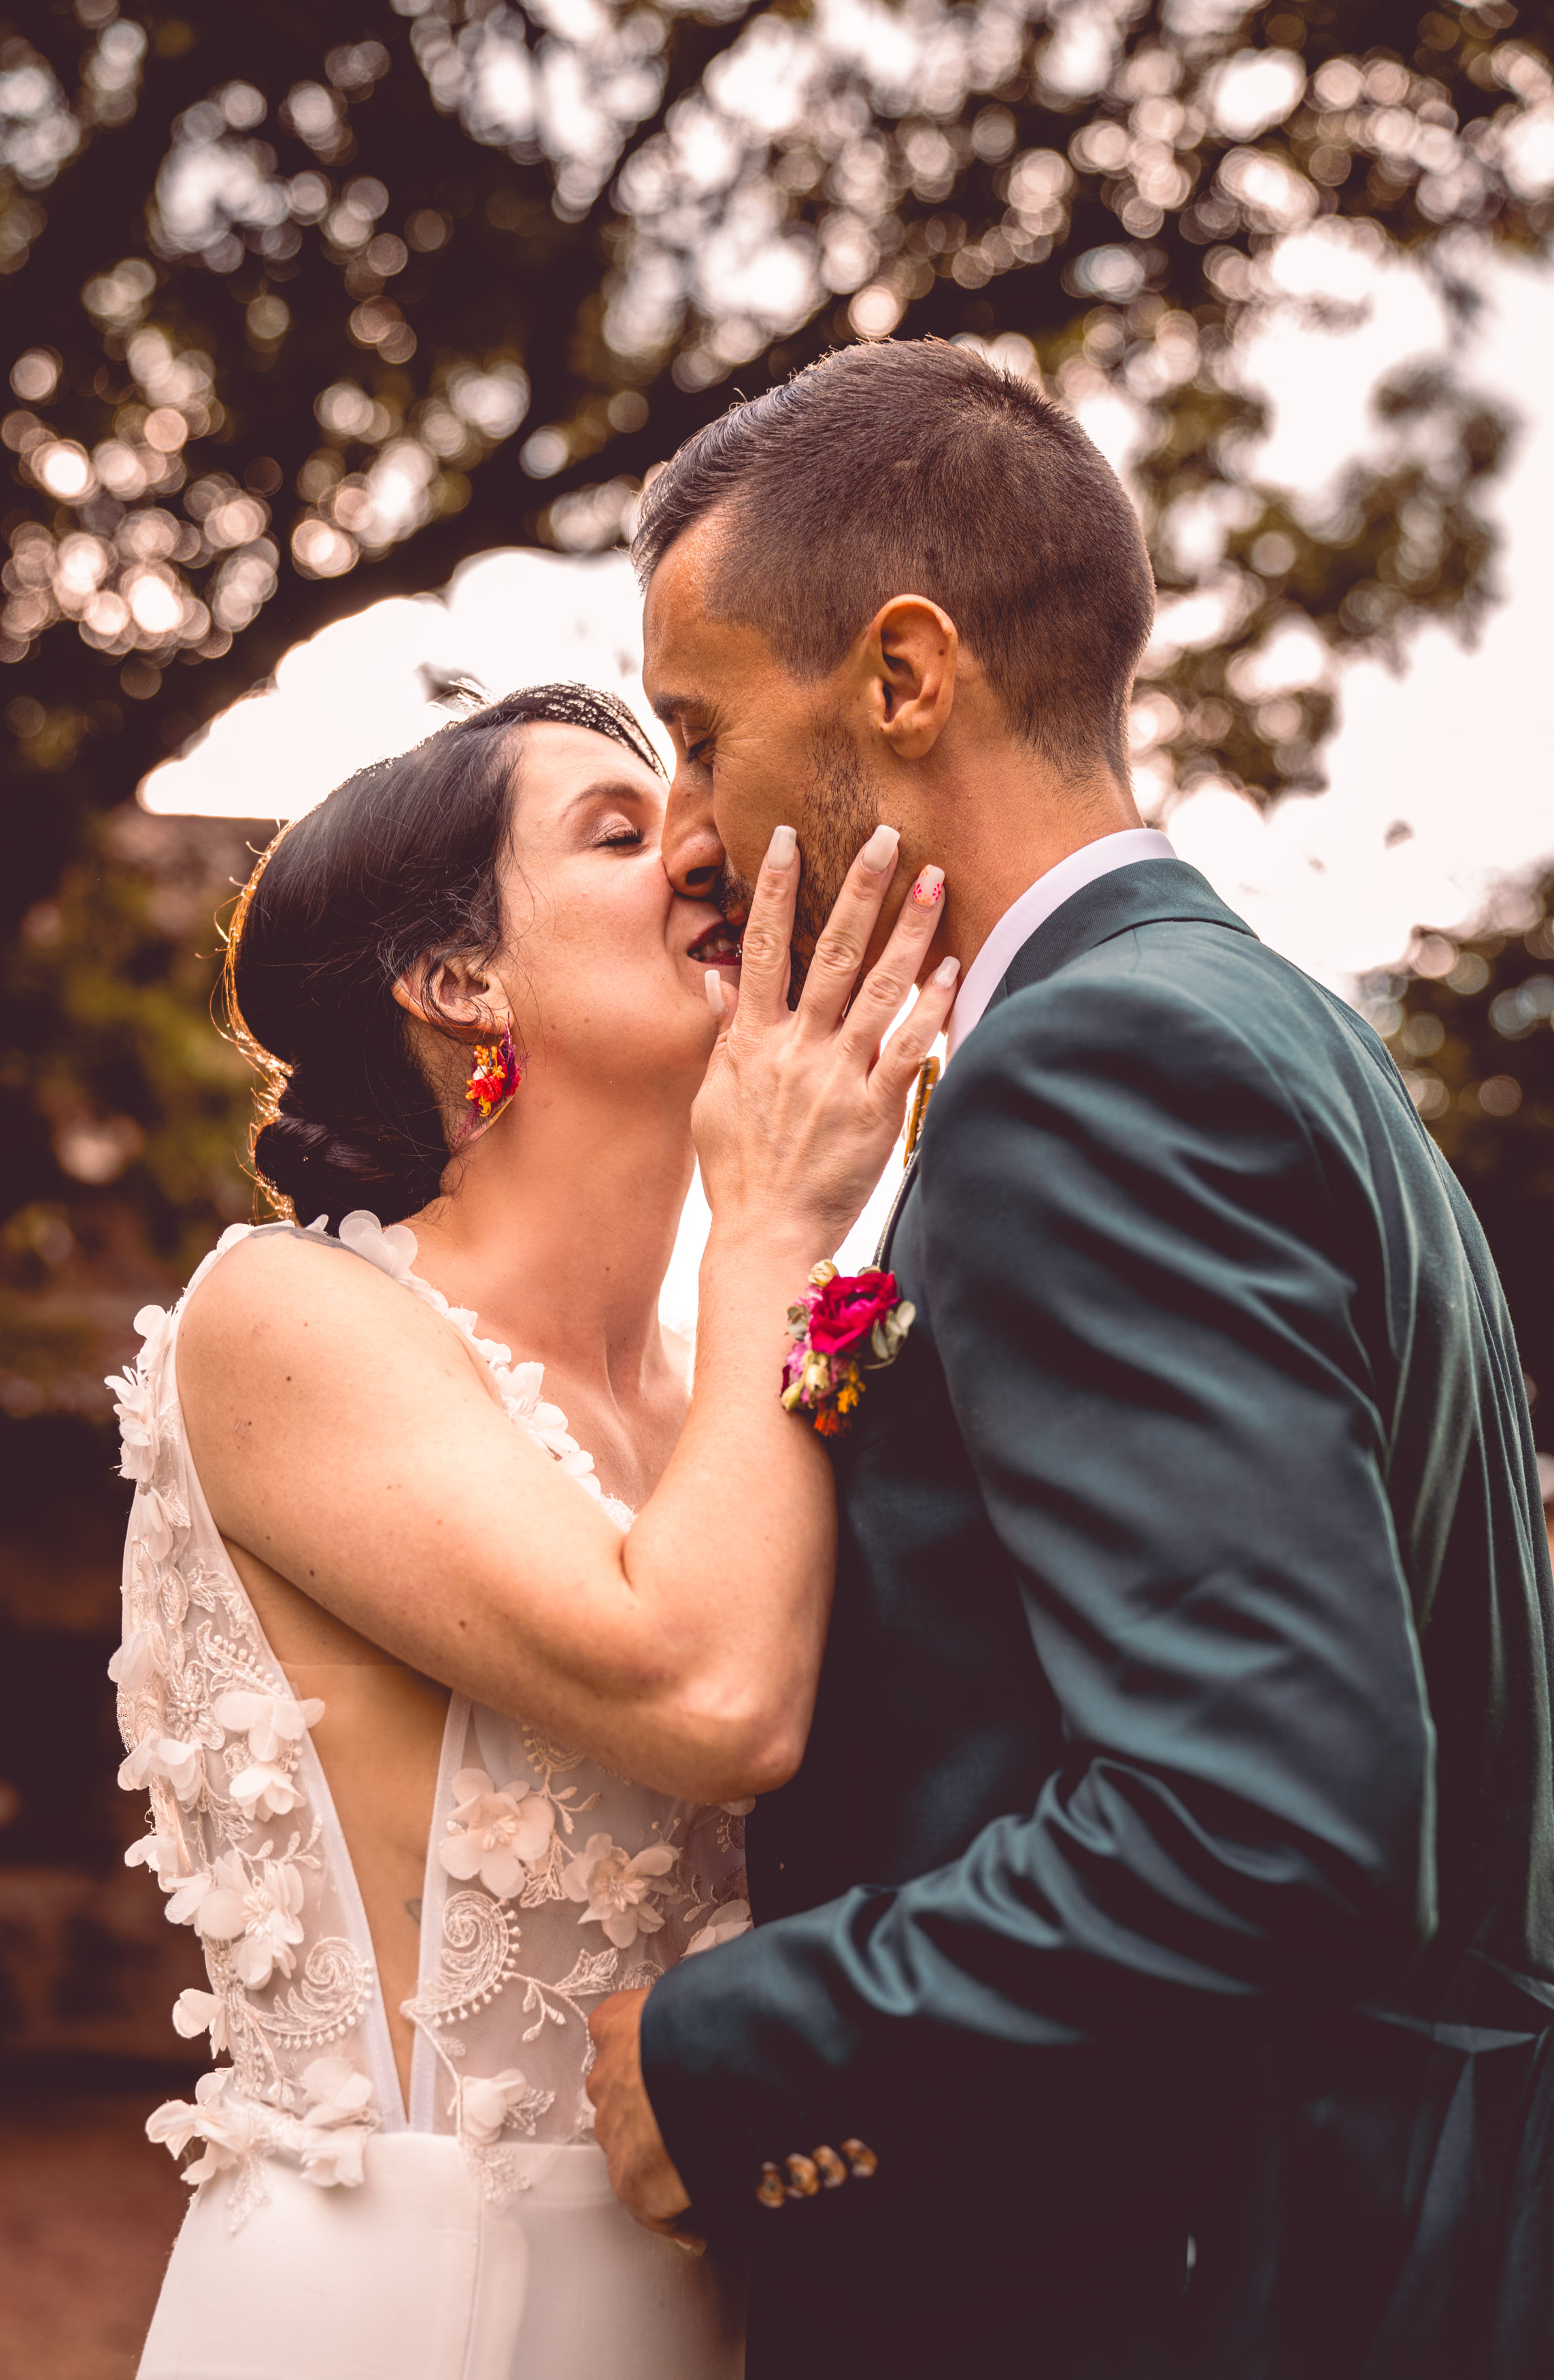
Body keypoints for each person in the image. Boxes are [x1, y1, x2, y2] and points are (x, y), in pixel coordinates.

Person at [586, 339, 1554, 2379]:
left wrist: (734, 2046)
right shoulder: (1269, 1026)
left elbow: (1259, 1823)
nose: (684, 830)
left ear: (902, 675)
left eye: (699, 731)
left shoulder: (1089, 1067)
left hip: (1170, 2292)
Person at [109, 681, 958, 2380]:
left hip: (711, 2315)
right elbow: (711, 1697)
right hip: (397, 2321)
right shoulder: (285, 1317)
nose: (704, 852)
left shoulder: (732, 1387)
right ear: (458, 980)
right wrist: (778, 1215)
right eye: (620, 832)